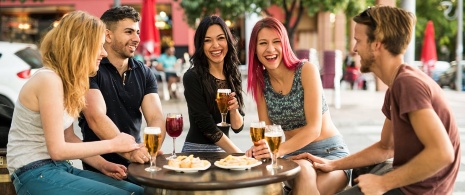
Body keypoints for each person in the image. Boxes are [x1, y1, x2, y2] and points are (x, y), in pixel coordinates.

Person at [293, 6, 461, 195]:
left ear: (377, 44)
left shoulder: (408, 84)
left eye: (358, 41)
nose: (354, 49)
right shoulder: (397, 84)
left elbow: (442, 153)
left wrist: (383, 183)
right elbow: (385, 147)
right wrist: (333, 164)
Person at [6, 11, 143, 194]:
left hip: (59, 167)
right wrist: (114, 144)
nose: (103, 52)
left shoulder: (69, 81)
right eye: (99, 46)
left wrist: (102, 165)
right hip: (32, 172)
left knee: (138, 190)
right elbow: (58, 149)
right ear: (81, 47)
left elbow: (69, 138)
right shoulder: (48, 80)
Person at [245, 17, 351, 195]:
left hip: (330, 154)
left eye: (276, 41)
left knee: (302, 176)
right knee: (300, 171)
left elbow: (314, 129)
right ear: (254, 49)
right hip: (293, 156)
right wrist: (261, 149)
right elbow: (268, 131)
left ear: (285, 44)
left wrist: (275, 151)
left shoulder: (306, 70)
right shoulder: (260, 83)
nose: (270, 49)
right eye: (263, 43)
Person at [79, 6, 166, 175]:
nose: (136, 39)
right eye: (129, 32)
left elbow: (156, 117)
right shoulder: (91, 70)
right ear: (108, 35)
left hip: (137, 163)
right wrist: (131, 152)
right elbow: (96, 118)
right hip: (100, 166)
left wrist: (149, 149)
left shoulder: (144, 72)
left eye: (138, 32)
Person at [181, 15, 245, 153]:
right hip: (196, 151)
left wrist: (234, 110)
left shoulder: (233, 75)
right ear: (201, 45)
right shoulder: (192, 77)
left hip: (224, 151)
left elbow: (237, 127)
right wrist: (239, 155)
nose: (215, 45)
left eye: (221, 38)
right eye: (207, 40)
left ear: (228, 41)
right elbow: (207, 127)